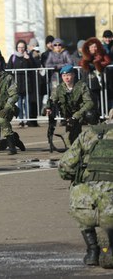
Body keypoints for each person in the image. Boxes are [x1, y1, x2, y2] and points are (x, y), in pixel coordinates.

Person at [58, 122, 113, 268]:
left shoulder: (88, 134)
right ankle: (111, 249)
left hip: (84, 207)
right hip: (110, 208)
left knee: (79, 188)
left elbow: (64, 167)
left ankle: (92, 250)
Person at [46, 64, 96, 146]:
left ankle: (94, 134)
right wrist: (49, 107)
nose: (66, 78)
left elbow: (89, 103)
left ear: (73, 75)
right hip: (69, 116)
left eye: (68, 75)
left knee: (90, 115)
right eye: (64, 76)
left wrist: (76, 116)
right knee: (70, 140)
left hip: (82, 113)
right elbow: (52, 99)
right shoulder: (59, 88)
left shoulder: (82, 86)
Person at [7, 39, 38, 127]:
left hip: (27, 83)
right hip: (17, 83)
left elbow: (33, 67)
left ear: (25, 48)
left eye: (23, 47)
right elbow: (8, 68)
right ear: (17, 48)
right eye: (19, 47)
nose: (21, 49)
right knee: (19, 102)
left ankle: (28, 120)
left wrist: (28, 59)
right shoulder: (13, 57)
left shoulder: (28, 56)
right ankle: (21, 120)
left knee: (27, 102)